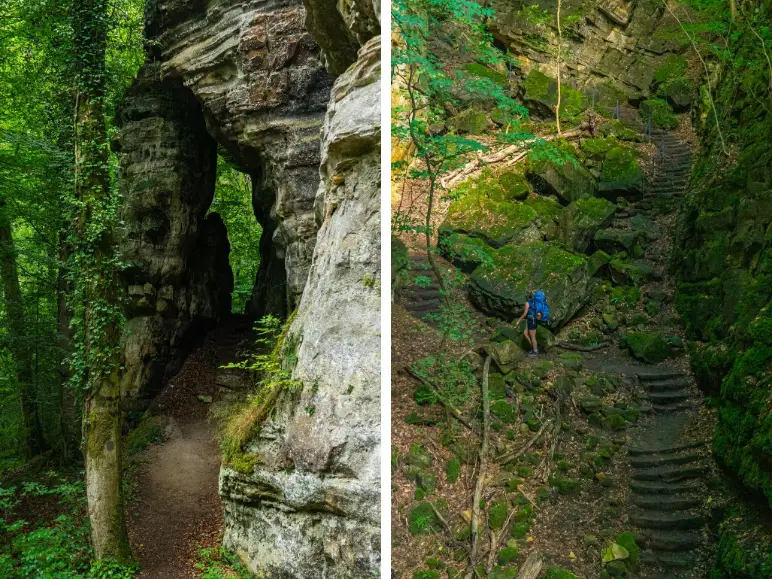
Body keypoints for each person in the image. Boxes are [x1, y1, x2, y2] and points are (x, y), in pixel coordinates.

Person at [515, 290, 550, 357]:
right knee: (525, 333)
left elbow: (525, 314)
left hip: (531, 320)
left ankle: (535, 351)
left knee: (533, 336)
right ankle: (533, 347)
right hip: (534, 320)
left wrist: (518, 320)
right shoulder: (535, 303)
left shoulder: (527, 303)